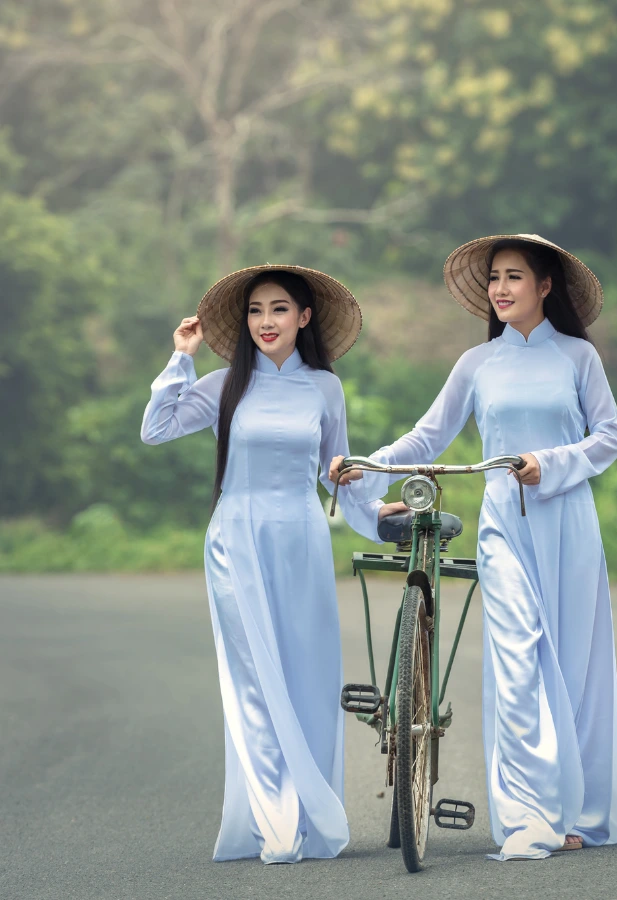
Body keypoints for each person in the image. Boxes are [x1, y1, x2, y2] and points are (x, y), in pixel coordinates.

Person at [330, 234, 617, 861]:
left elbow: (609, 437)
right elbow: (427, 437)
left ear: (545, 286)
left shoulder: (578, 358)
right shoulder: (477, 364)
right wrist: (368, 467)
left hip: (568, 524)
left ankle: (576, 812)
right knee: (516, 660)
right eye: (494, 278)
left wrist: (551, 462)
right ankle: (528, 814)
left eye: (515, 276)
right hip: (504, 523)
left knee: (574, 664)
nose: (501, 288)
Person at [141, 264, 388, 864]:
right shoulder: (226, 385)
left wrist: (380, 514)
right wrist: (181, 359)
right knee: (253, 680)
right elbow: (157, 428)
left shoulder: (324, 389)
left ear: (304, 317)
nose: (266, 321)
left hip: (302, 539)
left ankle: (307, 813)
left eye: (279, 309)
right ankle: (272, 821)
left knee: (307, 677)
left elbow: (337, 473)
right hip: (236, 541)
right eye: (255, 310)